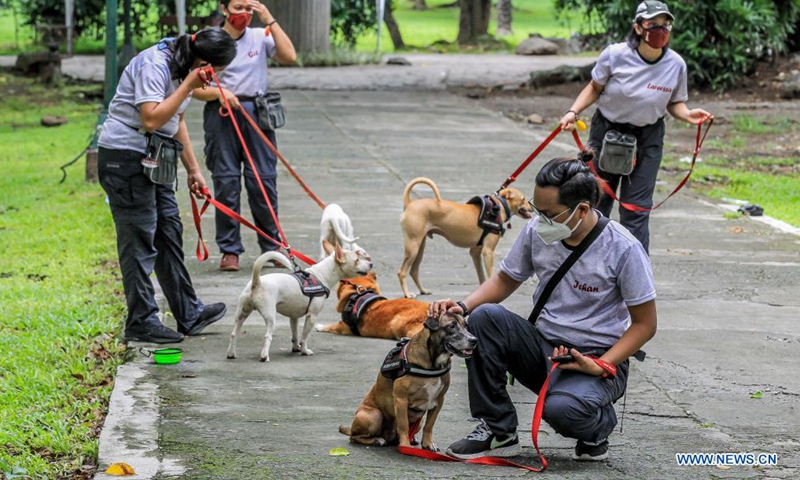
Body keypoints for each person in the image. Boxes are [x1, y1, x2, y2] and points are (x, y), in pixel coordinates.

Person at [428, 150, 658, 461]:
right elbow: (506, 279)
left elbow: (645, 325)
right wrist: (461, 306)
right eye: (538, 209)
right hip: (542, 347)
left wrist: (602, 363)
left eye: (549, 213)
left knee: (562, 411)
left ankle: (597, 427)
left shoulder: (623, 249)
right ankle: (498, 429)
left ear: (582, 210)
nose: (540, 219)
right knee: (483, 318)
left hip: (596, 358)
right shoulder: (537, 229)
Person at [98, 28, 236, 344]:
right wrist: (189, 84)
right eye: (216, 72)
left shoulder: (182, 67)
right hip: (126, 158)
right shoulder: (155, 65)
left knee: (169, 231)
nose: (215, 81)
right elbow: (151, 118)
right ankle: (141, 321)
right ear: (205, 62)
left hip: (157, 157)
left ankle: (188, 312)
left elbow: (178, 121)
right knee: (140, 240)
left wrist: (194, 171)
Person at [559, 1, 712, 253]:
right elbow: (594, 87)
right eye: (653, 24)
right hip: (606, 134)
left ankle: (635, 273)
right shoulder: (615, 54)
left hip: (647, 138)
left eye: (665, 25)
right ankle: (582, 263)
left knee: (636, 208)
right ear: (638, 28)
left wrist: (687, 115)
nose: (660, 30)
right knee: (595, 202)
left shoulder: (676, 64)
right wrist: (573, 112)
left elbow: (675, 103)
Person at [193, 0, 297, 272]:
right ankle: (229, 250)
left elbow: (289, 57)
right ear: (224, 8)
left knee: (262, 180)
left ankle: (272, 246)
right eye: (239, 7)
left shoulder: (260, 36)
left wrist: (269, 19)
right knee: (226, 182)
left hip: (256, 113)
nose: (244, 14)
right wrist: (219, 93)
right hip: (221, 114)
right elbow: (192, 87)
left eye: (249, 8)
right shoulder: (210, 40)